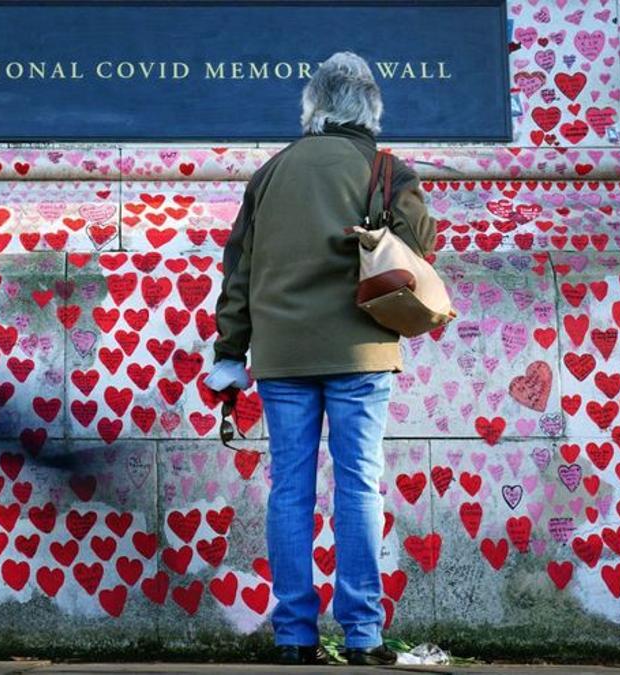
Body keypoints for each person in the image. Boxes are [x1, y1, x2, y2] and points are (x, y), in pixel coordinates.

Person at [204, 52, 437, 667]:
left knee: (289, 490)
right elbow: (421, 247)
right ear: (371, 109)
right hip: (361, 348)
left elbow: (239, 270)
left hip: (281, 354)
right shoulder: (385, 168)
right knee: (359, 483)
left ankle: (294, 637)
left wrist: (230, 352)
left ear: (313, 107)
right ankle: (362, 635)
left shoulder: (271, 172)